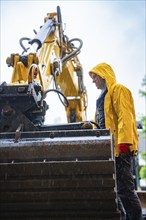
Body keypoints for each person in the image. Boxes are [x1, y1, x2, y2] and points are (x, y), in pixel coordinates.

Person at [89, 62, 143, 220]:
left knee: (126, 188)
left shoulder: (118, 90)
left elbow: (125, 117)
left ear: (104, 75)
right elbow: (100, 123)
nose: (93, 81)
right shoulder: (101, 98)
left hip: (121, 148)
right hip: (109, 149)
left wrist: (124, 143)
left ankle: (135, 218)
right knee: (115, 189)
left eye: (95, 77)